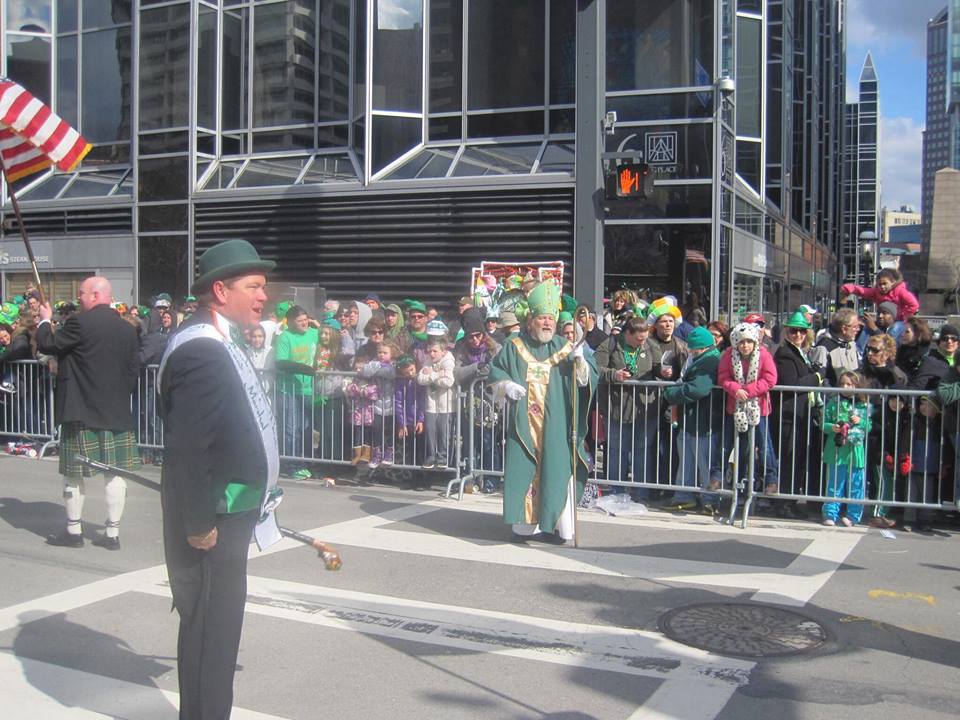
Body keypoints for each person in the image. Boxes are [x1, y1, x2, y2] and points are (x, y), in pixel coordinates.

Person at [158, 238, 283, 720]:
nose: (262, 296)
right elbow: (188, 447)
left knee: (220, 632)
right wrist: (197, 522)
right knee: (212, 634)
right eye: (253, 286)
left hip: (232, 511)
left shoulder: (220, 337)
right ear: (220, 289)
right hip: (214, 519)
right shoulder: (203, 350)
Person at [488, 282, 598, 544]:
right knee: (524, 469)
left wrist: (582, 362)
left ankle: (559, 528)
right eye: (541, 319)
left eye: (551, 318)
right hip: (524, 427)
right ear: (530, 322)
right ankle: (525, 527)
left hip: (556, 425)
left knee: (557, 470)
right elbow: (495, 372)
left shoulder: (564, 347)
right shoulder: (514, 347)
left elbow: (588, 380)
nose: (547, 323)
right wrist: (507, 385)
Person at [37, 277, 139, 550]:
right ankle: (112, 534)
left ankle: (73, 532)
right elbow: (133, 371)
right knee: (115, 474)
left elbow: (48, 344)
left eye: (81, 293)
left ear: (95, 295)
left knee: (73, 474)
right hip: (116, 411)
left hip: (80, 410)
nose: (78, 298)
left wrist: (45, 320)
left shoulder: (79, 323)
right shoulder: (127, 329)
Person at [594, 316, 662, 496]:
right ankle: (616, 492)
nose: (643, 342)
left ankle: (641, 493)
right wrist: (613, 374)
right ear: (627, 334)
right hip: (616, 408)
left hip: (644, 409)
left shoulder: (651, 346)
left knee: (642, 451)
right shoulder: (609, 345)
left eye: (645, 338)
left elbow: (657, 368)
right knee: (617, 450)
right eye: (639, 339)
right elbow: (594, 368)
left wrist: (664, 372)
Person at [662, 326, 724, 513]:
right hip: (692, 420)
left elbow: (698, 388)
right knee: (687, 460)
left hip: (703, 421)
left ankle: (709, 498)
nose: (689, 351)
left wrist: (671, 394)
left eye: (692, 348)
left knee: (704, 462)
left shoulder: (709, 361)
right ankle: (684, 495)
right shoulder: (703, 358)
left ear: (701, 347)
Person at [770, 311, 823, 518]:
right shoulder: (785, 353)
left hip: (800, 413)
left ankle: (790, 502)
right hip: (788, 414)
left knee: (798, 458)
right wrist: (817, 376)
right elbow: (792, 384)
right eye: (793, 331)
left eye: (802, 331)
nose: (798, 335)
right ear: (786, 332)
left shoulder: (800, 352)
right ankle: (784, 504)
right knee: (789, 459)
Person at [717, 322, 780, 497]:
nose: (745, 345)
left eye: (749, 342)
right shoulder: (728, 355)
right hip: (735, 408)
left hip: (759, 408)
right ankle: (719, 476)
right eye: (742, 342)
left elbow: (770, 378)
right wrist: (735, 389)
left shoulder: (764, 355)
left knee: (764, 445)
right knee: (730, 444)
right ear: (736, 342)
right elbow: (723, 377)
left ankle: (771, 480)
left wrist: (748, 391)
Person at [860, 333, 907, 528]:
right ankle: (868, 510)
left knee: (882, 473)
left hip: (886, 430)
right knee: (866, 472)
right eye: (868, 349)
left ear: (887, 353)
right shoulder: (861, 372)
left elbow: (902, 398)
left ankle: (879, 511)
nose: (870, 353)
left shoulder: (895, 374)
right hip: (865, 429)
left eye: (875, 350)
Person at [821, 371, 871, 527]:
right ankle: (831, 513)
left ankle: (853, 515)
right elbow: (823, 423)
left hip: (855, 450)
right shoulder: (833, 402)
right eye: (842, 383)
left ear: (857, 386)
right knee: (835, 484)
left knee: (856, 485)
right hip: (837, 450)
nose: (845, 387)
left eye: (849, 384)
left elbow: (869, 426)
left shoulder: (864, 405)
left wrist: (861, 421)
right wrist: (832, 427)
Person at [274, 305, 319, 459]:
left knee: (306, 428)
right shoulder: (285, 337)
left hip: (308, 390)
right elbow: (280, 362)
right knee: (291, 428)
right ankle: (292, 463)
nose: (304, 323)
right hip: (289, 390)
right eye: (300, 321)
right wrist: (306, 369)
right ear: (291, 322)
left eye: (306, 320)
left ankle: (304, 459)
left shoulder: (314, 333)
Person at [418, 333, 456, 469]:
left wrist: (432, 374)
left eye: (435, 351)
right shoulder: (428, 360)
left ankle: (442, 457)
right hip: (431, 403)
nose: (432, 354)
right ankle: (431, 456)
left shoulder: (448, 360)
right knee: (430, 430)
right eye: (430, 351)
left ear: (443, 351)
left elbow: (448, 381)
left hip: (446, 404)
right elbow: (420, 378)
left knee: (443, 431)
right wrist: (438, 375)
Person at [840, 268, 919, 322]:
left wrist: (900, 315)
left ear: (893, 282)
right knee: (867, 328)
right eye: (880, 284)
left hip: (898, 321)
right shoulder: (876, 292)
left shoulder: (900, 291)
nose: (882, 287)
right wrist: (849, 288)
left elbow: (914, 305)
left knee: (895, 329)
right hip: (882, 318)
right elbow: (864, 291)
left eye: (885, 284)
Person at [812, 308, 861, 386]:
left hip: (853, 396)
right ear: (844, 329)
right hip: (832, 396)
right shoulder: (823, 347)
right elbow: (817, 378)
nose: (858, 329)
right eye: (855, 327)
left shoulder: (852, 344)